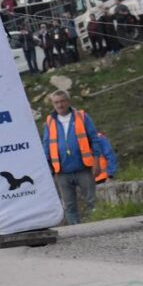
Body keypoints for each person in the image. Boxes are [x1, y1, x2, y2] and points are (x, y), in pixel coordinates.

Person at [42, 90, 103, 225]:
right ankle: (76, 231)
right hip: (61, 172)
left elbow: (95, 139)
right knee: (69, 207)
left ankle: (99, 226)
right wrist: (47, 166)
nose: (60, 105)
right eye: (56, 102)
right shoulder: (50, 121)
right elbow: (46, 145)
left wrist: (96, 162)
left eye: (62, 101)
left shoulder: (82, 117)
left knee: (92, 201)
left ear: (68, 101)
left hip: (83, 168)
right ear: (53, 104)